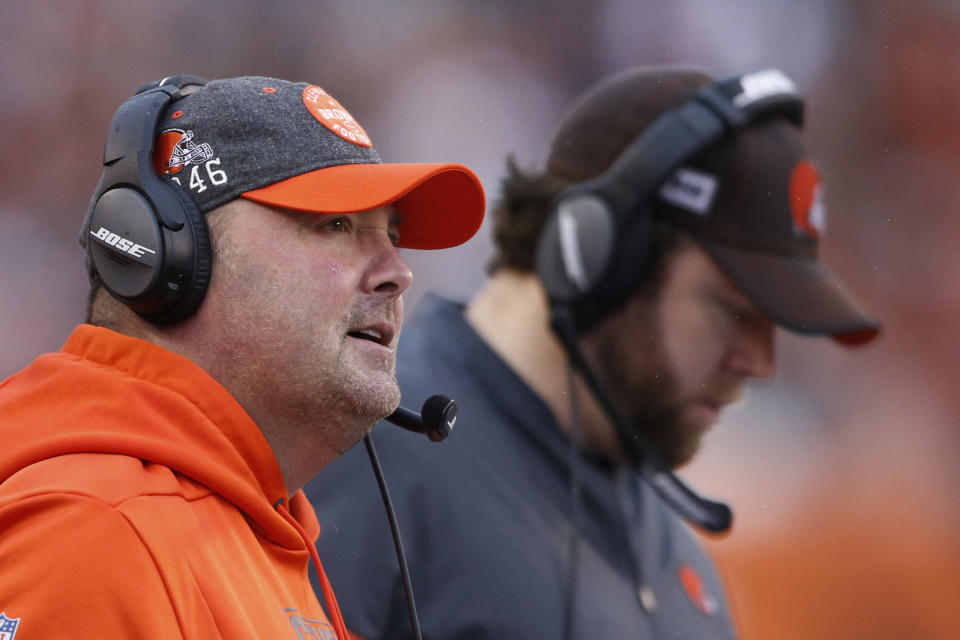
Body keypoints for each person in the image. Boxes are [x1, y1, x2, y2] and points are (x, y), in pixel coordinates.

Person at [304, 67, 881, 639]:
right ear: (603, 261)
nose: (761, 364)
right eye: (732, 310)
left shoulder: (677, 558)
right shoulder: (369, 456)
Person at [0, 74, 484, 639]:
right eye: (335, 226)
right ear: (168, 257)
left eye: (391, 237)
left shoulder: (250, 528)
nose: (397, 274)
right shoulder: (98, 532)